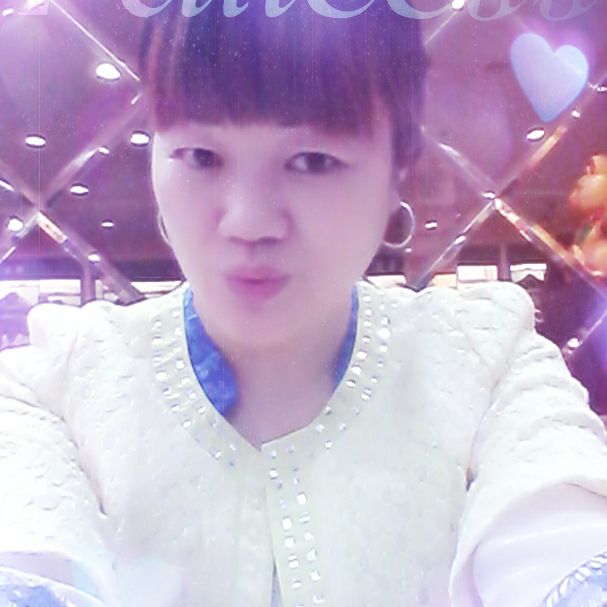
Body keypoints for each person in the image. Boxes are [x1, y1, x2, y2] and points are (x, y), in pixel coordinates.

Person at [2, 3, 607, 606]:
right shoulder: (53, 387)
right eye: (201, 156)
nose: (248, 222)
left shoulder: (487, 363)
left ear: (397, 170)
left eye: (313, 161)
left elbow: (559, 542)